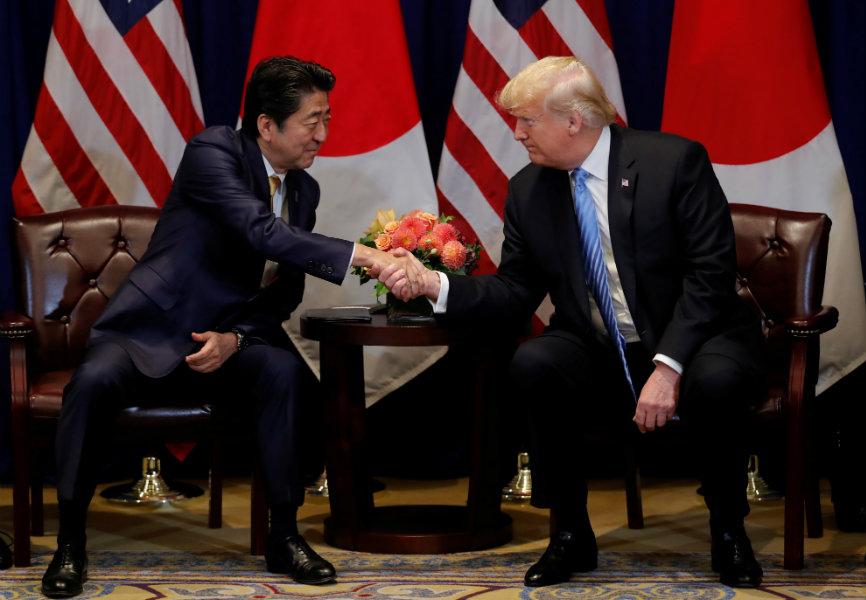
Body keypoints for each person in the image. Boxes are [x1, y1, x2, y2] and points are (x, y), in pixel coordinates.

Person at [40, 55, 421, 598]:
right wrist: (367, 256)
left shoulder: (304, 191)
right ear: (267, 124)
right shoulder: (213, 151)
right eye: (312, 121)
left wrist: (237, 338)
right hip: (148, 329)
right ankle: (71, 543)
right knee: (92, 383)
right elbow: (257, 229)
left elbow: (285, 289)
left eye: (327, 119)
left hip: (225, 342)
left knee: (283, 375)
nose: (323, 134)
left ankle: (283, 536)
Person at [382, 56, 766, 588]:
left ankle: (729, 533)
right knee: (537, 361)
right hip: (600, 342)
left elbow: (709, 276)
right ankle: (570, 534)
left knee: (717, 380)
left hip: (699, 335)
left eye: (526, 120)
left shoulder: (674, 162)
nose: (516, 134)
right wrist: (434, 285)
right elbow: (516, 291)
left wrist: (669, 365)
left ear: (573, 120)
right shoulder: (528, 190)